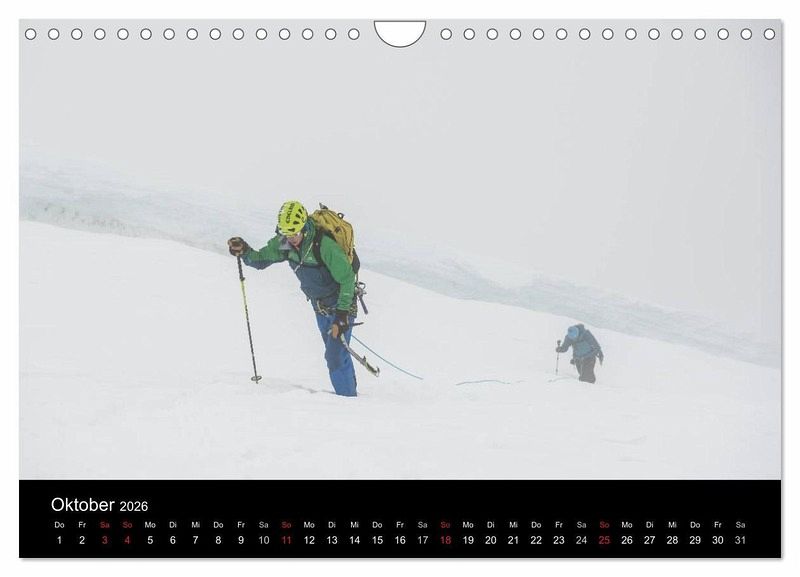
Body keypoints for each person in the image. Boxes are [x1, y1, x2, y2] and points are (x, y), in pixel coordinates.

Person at [227, 200, 358, 397]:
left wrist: (342, 315)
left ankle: (347, 401)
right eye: (287, 234)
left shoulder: (324, 246)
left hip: (342, 305)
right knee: (336, 353)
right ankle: (350, 397)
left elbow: (347, 279)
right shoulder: (286, 242)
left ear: (304, 227)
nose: (291, 238)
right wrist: (245, 251)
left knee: (335, 356)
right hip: (320, 307)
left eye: (295, 233)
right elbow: (261, 259)